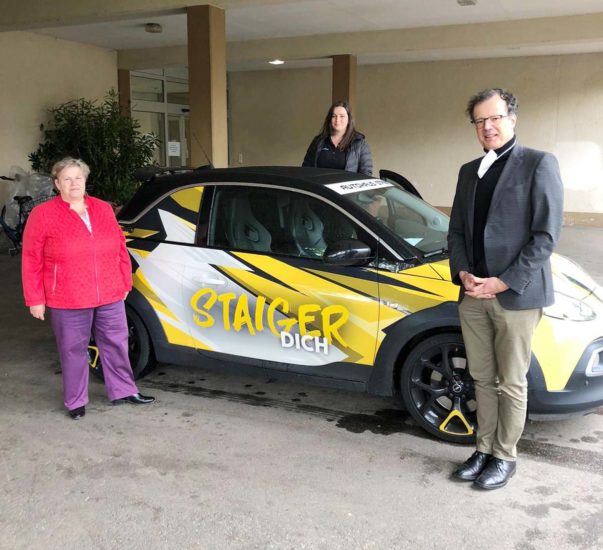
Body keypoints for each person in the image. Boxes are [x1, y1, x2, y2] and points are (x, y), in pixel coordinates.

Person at [447, 88, 563, 489]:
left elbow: (545, 236)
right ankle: (483, 449)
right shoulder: (469, 171)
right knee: (481, 378)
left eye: (495, 118)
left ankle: (504, 456)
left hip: (515, 295)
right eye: (480, 120)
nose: (488, 127)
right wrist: (463, 272)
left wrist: (504, 281)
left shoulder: (538, 164)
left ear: (512, 119)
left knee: (511, 381)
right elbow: (456, 231)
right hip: (473, 294)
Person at [22, 157, 154, 419]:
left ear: (85, 180)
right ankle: (76, 401)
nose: (74, 183)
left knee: (117, 343)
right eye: (67, 179)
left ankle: (124, 390)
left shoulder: (103, 208)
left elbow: (119, 246)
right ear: (57, 183)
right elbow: (31, 258)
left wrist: (124, 280)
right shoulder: (43, 214)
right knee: (73, 350)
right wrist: (35, 298)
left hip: (109, 292)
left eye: (78, 178)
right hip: (68, 296)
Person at [302, 100, 373, 175]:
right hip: (319, 183)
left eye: (342, 116)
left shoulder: (360, 144)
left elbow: (366, 174)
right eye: (334, 116)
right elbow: (306, 170)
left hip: (347, 183)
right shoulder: (318, 141)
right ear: (330, 119)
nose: (337, 120)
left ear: (349, 119)